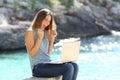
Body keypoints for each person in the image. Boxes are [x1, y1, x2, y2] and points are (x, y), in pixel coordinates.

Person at [25, 8, 78, 80]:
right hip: (37, 68)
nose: (47, 23)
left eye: (49, 21)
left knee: (74, 65)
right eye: (45, 20)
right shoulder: (30, 32)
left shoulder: (46, 32)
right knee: (68, 67)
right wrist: (39, 38)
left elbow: (48, 54)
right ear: (40, 18)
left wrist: (52, 40)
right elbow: (32, 54)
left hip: (48, 64)